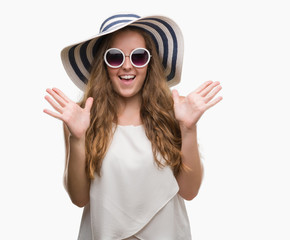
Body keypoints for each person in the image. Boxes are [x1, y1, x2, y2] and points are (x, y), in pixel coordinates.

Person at [43, 13, 222, 240]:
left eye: (138, 57)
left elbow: (190, 191)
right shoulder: (82, 117)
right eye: (115, 57)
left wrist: (188, 128)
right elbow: (79, 198)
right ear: (103, 64)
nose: (127, 66)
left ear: (150, 64)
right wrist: (77, 137)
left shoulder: (175, 112)